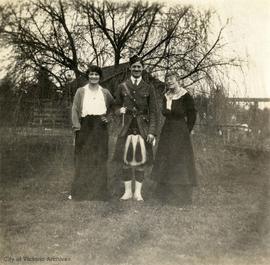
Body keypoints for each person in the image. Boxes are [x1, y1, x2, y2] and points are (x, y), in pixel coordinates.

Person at [114, 55, 158, 201]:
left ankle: (138, 193)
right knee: (125, 162)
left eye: (139, 66)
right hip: (125, 128)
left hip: (143, 128)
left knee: (141, 161)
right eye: (134, 67)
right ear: (130, 68)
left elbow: (153, 112)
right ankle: (127, 192)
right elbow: (114, 106)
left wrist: (152, 132)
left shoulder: (149, 87)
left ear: (143, 68)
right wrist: (118, 111)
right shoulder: (122, 86)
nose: (137, 69)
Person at [151, 72, 197, 206]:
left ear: (178, 81)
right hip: (167, 131)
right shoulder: (166, 96)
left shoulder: (185, 95)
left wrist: (186, 131)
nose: (169, 82)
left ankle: (180, 196)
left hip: (180, 131)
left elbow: (192, 114)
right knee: (167, 159)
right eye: (167, 80)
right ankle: (165, 195)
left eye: (172, 80)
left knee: (179, 160)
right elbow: (165, 113)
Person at [70, 65, 114, 201]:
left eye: (96, 75)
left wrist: (108, 118)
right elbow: (75, 109)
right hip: (85, 126)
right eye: (91, 74)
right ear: (88, 76)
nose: (94, 77)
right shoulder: (81, 91)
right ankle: (81, 193)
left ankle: (99, 193)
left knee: (100, 158)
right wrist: (77, 127)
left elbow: (113, 106)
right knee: (84, 159)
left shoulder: (105, 92)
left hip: (100, 127)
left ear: (100, 77)